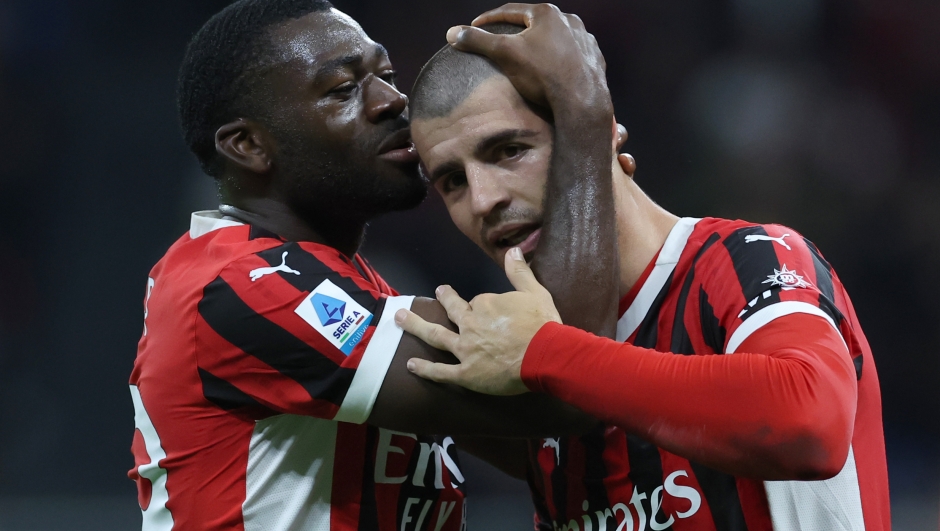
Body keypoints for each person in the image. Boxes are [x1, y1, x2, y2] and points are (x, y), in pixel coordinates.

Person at [128, 0, 623, 529]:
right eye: (343, 89)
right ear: (248, 145)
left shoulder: (351, 288)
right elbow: (568, 383)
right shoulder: (243, 286)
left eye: (385, 76)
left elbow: (556, 454)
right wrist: (581, 112)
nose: (392, 101)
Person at [400, 6, 891, 530]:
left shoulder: (746, 257)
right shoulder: (518, 369)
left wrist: (548, 354)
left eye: (510, 150)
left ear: (598, 132)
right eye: (452, 181)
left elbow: (808, 424)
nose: (482, 200)